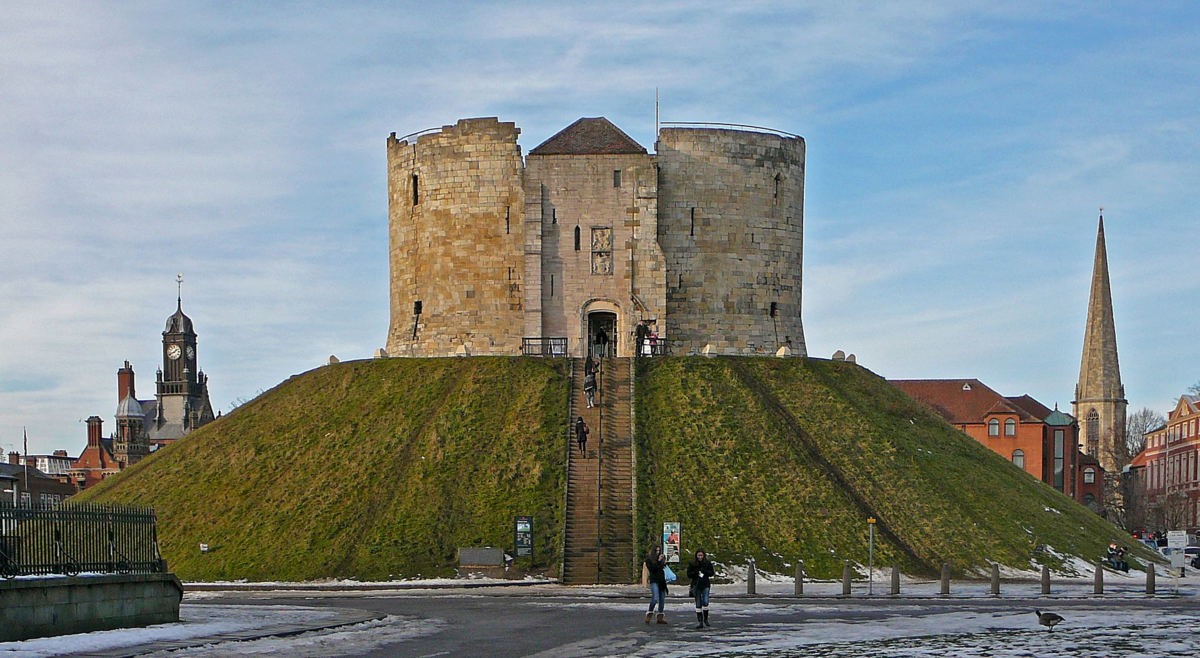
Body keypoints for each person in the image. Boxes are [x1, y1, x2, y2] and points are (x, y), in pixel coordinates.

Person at [686, 549, 715, 629]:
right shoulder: (692, 564)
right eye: (698, 555)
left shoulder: (707, 563)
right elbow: (689, 574)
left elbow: (712, 573)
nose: (700, 557)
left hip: (705, 584)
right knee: (698, 603)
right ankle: (700, 621)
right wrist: (696, 573)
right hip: (696, 585)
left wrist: (704, 572)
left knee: (705, 601)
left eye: (701, 555)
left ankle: (705, 618)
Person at [644, 544, 669, 624]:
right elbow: (652, 569)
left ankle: (660, 616)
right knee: (655, 598)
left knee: (662, 599)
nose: (658, 552)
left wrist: (664, 562)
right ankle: (650, 613)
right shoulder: (649, 560)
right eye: (656, 551)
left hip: (661, 580)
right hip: (654, 580)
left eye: (659, 551)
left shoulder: (660, 559)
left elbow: (663, 568)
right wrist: (658, 561)